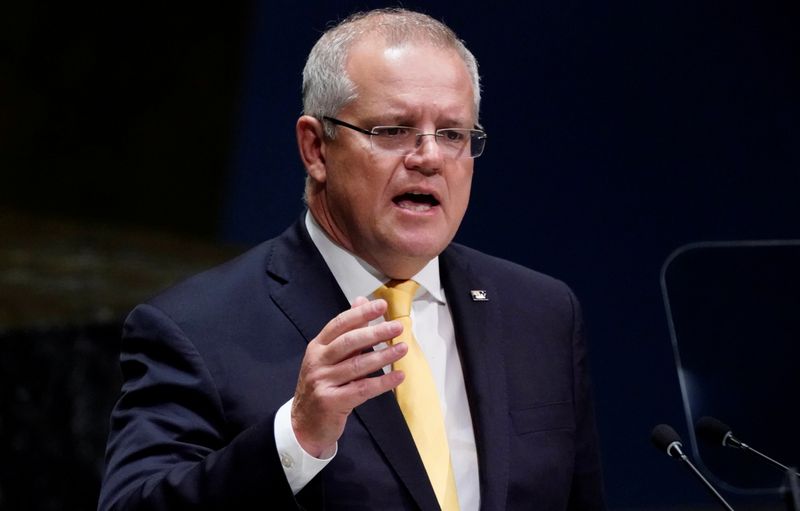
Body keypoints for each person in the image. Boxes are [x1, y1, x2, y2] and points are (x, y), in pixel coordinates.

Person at [97, 8, 605, 511]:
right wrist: (295, 438)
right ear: (316, 148)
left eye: (452, 134)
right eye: (393, 130)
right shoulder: (197, 329)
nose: (428, 158)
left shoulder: (541, 314)